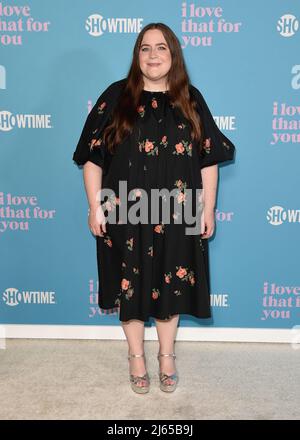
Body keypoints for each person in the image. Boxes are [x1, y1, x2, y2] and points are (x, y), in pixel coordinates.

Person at [72, 22, 235, 394]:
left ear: (173, 54)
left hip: (178, 214)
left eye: (161, 48)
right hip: (124, 213)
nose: (153, 55)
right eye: (145, 48)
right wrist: (94, 207)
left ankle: (166, 356)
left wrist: (207, 209)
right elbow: (93, 159)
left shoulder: (190, 99)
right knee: (129, 290)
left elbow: (208, 159)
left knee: (171, 285)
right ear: (137, 55)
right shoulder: (116, 97)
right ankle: (135, 357)